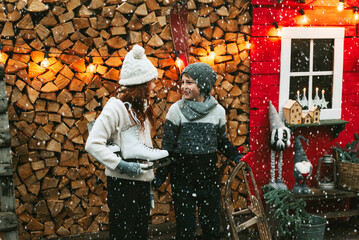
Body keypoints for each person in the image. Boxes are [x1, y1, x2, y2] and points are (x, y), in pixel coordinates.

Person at [85, 45, 168, 240]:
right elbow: (93, 144)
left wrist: (149, 171)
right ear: (141, 84)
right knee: (123, 235)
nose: (154, 86)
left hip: (141, 183)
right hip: (122, 184)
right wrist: (120, 165)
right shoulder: (115, 108)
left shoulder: (143, 108)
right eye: (151, 82)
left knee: (139, 235)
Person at [152, 62, 244, 239]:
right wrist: (161, 175)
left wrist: (235, 156)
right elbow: (168, 148)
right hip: (182, 179)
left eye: (189, 82)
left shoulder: (217, 111)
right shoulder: (175, 111)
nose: (184, 87)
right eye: (183, 82)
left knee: (211, 227)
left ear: (202, 85)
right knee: (185, 229)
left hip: (208, 178)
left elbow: (222, 142)